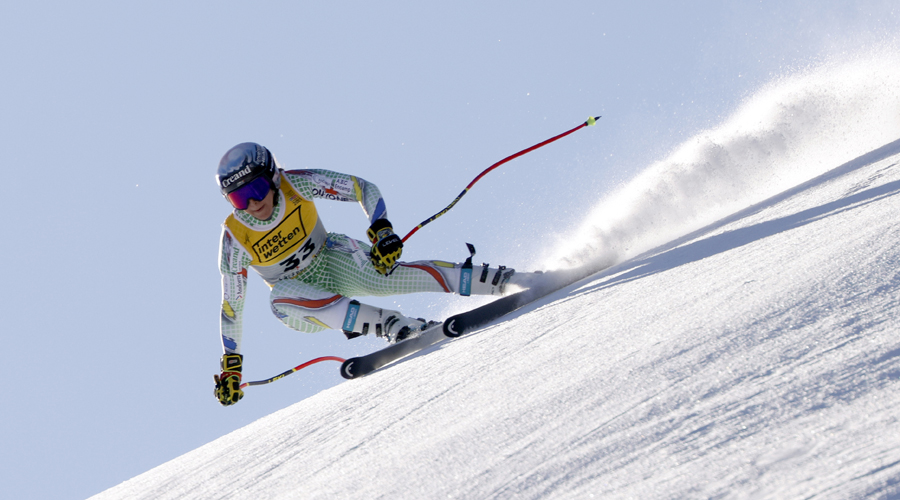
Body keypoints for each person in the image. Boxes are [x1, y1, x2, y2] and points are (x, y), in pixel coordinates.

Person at [213, 142, 539, 406]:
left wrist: (381, 230)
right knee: (278, 299)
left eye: (255, 189)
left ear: (271, 177)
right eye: (238, 198)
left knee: (386, 276)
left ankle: (504, 280)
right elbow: (233, 305)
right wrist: (232, 364)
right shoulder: (234, 237)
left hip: (331, 259)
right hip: (299, 299)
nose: (252, 204)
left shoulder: (296, 184)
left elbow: (361, 188)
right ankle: (396, 326)